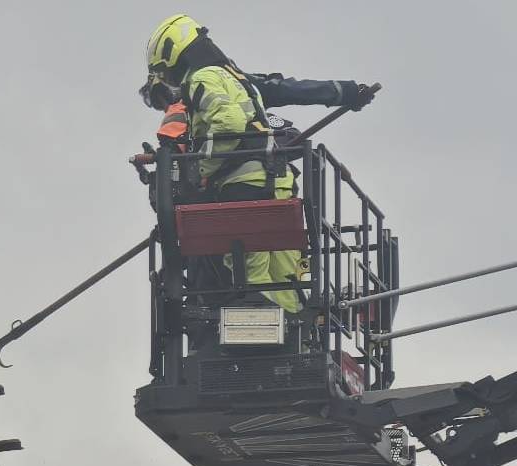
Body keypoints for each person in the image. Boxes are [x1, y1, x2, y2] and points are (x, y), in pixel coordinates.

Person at [143, 14, 376, 314]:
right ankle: (296, 331)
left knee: (248, 273)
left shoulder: (201, 82)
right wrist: (343, 91)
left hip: (241, 190)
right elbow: (284, 91)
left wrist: (201, 171)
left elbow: (227, 126)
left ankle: (261, 332)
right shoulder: (236, 79)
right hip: (276, 184)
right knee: (284, 274)